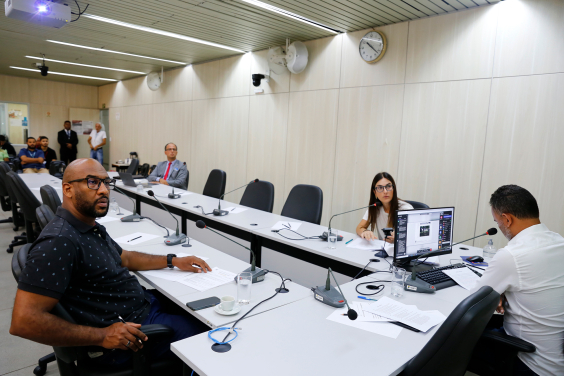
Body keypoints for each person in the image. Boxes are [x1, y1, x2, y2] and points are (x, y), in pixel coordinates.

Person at [10, 159, 211, 365]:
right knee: (211, 338)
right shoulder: (59, 241)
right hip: (130, 335)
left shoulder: (87, 226)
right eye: (93, 182)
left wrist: (173, 260)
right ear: (68, 189)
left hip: (142, 306)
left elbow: (126, 258)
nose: (104, 190)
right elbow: (23, 322)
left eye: (106, 183)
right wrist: (102, 336)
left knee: (204, 309)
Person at [470, 185, 564, 375]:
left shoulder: (512, 255)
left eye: (497, 221)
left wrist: (497, 294)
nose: (499, 226)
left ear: (507, 219)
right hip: (556, 358)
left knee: (453, 342)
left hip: (530, 362)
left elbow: (471, 305)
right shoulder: (558, 242)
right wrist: (504, 290)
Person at [356, 172, 413, 243]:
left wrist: (399, 237)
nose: (385, 191)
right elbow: (359, 228)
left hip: (400, 251)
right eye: (380, 188)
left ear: (393, 189)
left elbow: (414, 235)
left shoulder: (405, 209)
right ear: (374, 192)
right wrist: (365, 232)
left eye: (388, 186)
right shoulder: (375, 207)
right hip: (383, 249)